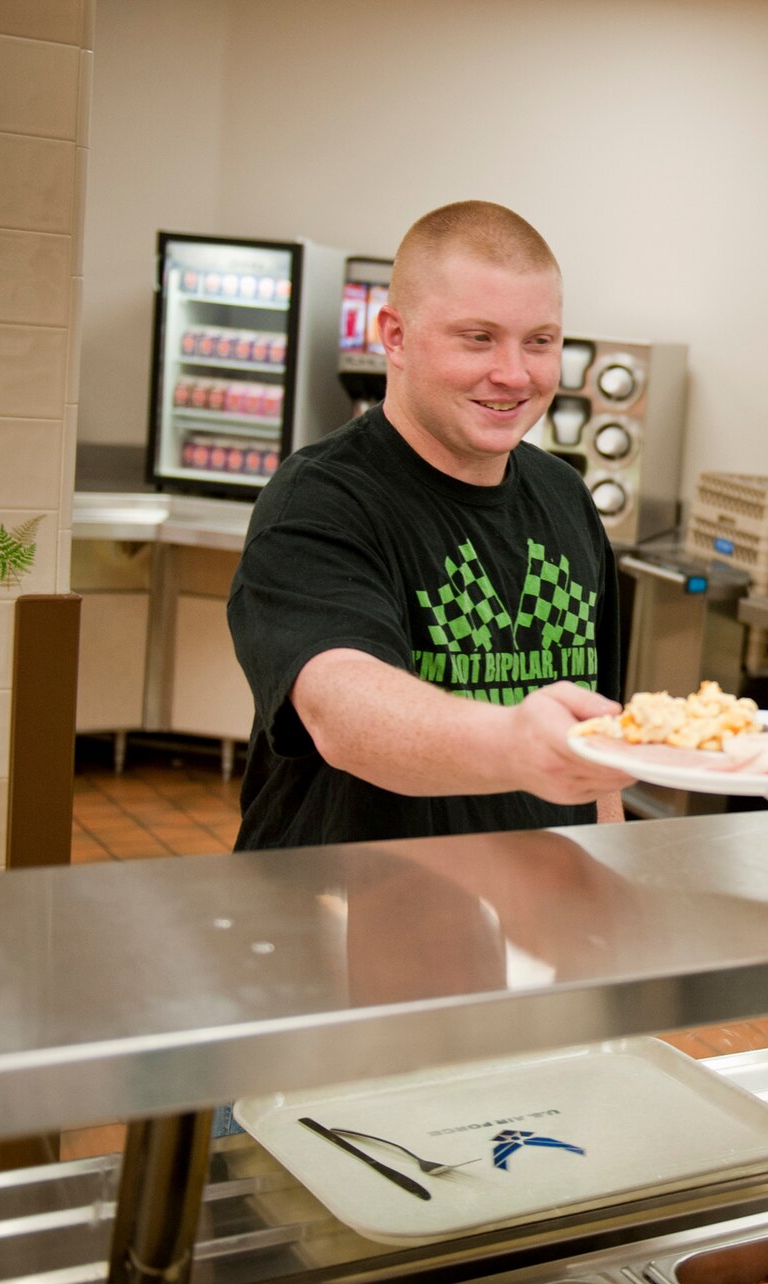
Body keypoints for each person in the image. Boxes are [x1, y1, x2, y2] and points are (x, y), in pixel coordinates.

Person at [228, 201, 634, 850]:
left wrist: (610, 873)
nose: (514, 374)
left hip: (529, 923)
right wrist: (514, 743)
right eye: (478, 337)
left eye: (540, 341)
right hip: (342, 916)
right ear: (394, 335)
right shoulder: (320, 500)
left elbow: (599, 739)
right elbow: (342, 708)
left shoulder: (565, 497)